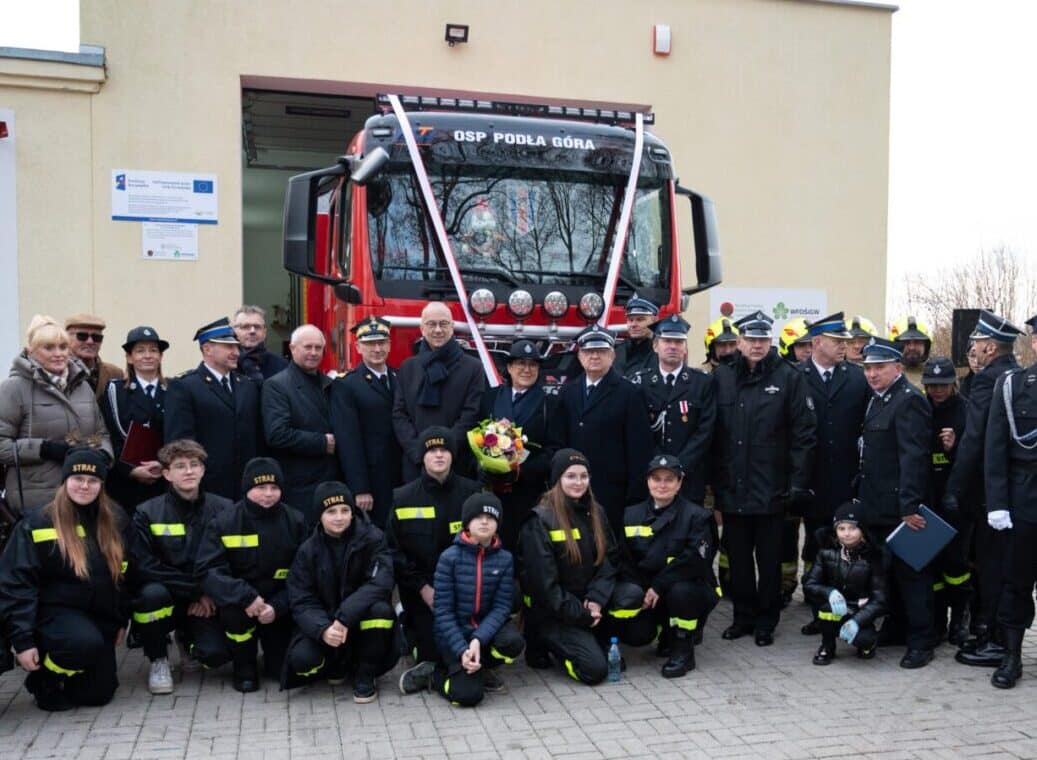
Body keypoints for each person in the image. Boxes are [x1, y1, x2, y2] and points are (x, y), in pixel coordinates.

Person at [711, 310, 816, 646]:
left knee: (769, 562)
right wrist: (714, 481)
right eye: (751, 339)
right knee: (738, 561)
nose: (757, 345)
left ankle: (766, 621)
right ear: (738, 342)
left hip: (772, 488)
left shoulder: (789, 377)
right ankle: (743, 617)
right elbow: (713, 433)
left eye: (762, 339)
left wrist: (797, 482)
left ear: (770, 342)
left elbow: (804, 433)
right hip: (733, 488)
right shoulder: (722, 378)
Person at [0, 448, 129, 711]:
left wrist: (120, 619)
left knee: (99, 694)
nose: (85, 486)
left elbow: (125, 575)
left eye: (93, 481)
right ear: (65, 481)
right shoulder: (37, 523)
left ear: (102, 485)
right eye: (77, 479)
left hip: (99, 615)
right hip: (55, 614)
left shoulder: (116, 519)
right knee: (83, 644)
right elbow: (16, 584)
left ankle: (68, 674)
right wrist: (22, 641)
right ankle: (43, 680)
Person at [519, 449, 646, 685]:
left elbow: (610, 559)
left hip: (589, 601)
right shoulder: (540, 520)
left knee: (631, 595)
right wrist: (582, 614)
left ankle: (600, 636)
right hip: (556, 611)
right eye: (570, 476)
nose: (578, 482)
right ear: (557, 479)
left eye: (584, 476)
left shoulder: (597, 512)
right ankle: (553, 645)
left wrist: (596, 599)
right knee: (595, 671)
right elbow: (545, 587)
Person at [944, 310, 1022, 667]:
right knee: (1007, 567)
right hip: (1015, 490)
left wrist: (954, 488)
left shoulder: (987, 380)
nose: (973, 348)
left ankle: (992, 639)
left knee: (990, 568)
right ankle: (1002, 639)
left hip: (987, 493)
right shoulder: (1017, 376)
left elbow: (975, 441)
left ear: (990, 347)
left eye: (976, 343)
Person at [193, 458, 307, 692]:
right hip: (239, 605)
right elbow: (208, 571)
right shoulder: (225, 522)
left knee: (282, 669)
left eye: (274, 488)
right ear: (247, 489)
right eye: (260, 488)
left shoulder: (296, 521)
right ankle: (244, 666)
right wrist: (246, 598)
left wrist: (277, 606)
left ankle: (272, 657)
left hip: (278, 606)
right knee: (235, 619)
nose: (268, 494)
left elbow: (305, 574)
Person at [129, 439, 232, 695]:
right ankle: (158, 660)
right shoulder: (147, 513)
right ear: (166, 474)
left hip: (208, 597)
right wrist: (194, 592)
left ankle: (188, 639)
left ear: (203, 470)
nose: (188, 471)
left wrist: (210, 591)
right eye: (180, 466)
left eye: (194, 464)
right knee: (151, 596)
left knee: (216, 656)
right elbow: (145, 565)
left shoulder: (225, 508)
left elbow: (230, 560)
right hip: (171, 595)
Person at [400, 493, 525, 704]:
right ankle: (435, 674)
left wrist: (478, 639)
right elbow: (443, 612)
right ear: (467, 523)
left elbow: (502, 607)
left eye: (491, 517)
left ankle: (480, 667)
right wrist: (462, 648)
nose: (484, 521)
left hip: (483, 635)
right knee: (467, 696)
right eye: (478, 517)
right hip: (453, 637)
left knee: (513, 643)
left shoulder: (505, 559)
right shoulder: (449, 558)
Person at [856, 337, 934, 668]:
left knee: (912, 578)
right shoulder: (878, 399)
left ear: (897, 368)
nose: (872, 374)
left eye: (879, 368)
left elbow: (914, 458)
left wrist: (910, 507)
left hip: (901, 510)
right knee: (886, 576)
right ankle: (897, 628)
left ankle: (922, 641)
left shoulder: (908, 400)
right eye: (868, 368)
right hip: (876, 505)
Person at [282, 481, 398, 702]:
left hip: (358, 621)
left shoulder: (373, 538)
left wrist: (344, 617)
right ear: (319, 515)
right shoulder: (308, 550)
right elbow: (301, 599)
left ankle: (366, 672)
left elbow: (380, 583)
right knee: (302, 659)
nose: (339, 517)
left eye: (345, 510)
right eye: (331, 511)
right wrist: (323, 629)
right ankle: (336, 665)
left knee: (381, 611)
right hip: (327, 625)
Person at [387, 427, 482, 681]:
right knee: (434, 652)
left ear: (452, 455)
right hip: (423, 593)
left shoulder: (472, 493)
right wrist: (423, 588)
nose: (438, 456)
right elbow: (394, 553)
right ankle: (408, 626)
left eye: (444, 450)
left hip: (464, 589)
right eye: (432, 450)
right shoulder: (403, 497)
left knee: (466, 646)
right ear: (422, 456)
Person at [795, 313, 869, 633]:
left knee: (846, 546)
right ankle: (818, 611)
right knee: (815, 546)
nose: (844, 346)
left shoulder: (856, 377)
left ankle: (849, 610)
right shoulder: (795, 376)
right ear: (816, 343)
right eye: (837, 341)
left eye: (845, 341)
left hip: (846, 478)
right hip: (810, 480)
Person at [0, 315, 113, 512]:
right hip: (37, 498)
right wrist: (44, 449)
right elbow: (2, 446)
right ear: (31, 352)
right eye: (49, 347)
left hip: (83, 495)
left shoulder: (82, 386)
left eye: (63, 347)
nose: (59, 354)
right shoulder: (14, 388)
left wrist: (103, 455)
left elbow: (101, 434)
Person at [620, 455, 719, 678]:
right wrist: (639, 591)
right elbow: (625, 560)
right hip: (650, 593)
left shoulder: (697, 516)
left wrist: (658, 586)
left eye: (669, 479)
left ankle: (684, 650)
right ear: (648, 481)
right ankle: (666, 633)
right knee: (636, 635)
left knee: (680, 591)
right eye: (656, 479)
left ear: (679, 482)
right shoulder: (631, 515)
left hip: (688, 589)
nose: (662, 485)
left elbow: (694, 561)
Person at [549, 324, 654, 532]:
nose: (594, 356)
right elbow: (557, 440)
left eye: (601, 351)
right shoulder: (567, 392)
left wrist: (635, 496)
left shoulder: (629, 393)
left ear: (612, 356)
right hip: (572, 487)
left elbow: (639, 449)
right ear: (579, 357)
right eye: (588, 351)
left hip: (612, 491)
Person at [983, 314, 1037, 688]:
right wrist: (997, 503)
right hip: (1024, 498)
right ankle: (1012, 656)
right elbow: (995, 448)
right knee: (1016, 582)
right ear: (1034, 343)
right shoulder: (1013, 385)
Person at [164, 317, 263, 501]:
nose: (236, 352)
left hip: (245, 488)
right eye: (229, 347)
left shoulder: (247, 385)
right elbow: (180, 443)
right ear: (207, 349)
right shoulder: (185, 386)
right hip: (207, 489)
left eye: (236, 347)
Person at [476, 339, 554, 551]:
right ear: (509, 368)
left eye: (533, 365)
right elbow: (478, 437)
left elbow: (553, 449)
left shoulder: (550, 403)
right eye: (520, 363)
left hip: (529, 491)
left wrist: (520, 469)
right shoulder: (490, 398)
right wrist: (486, 465)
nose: (526, 370)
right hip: (493, 488)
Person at [393, 302, 486, 480]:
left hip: (456, 465)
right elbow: (399, 414)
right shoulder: (408, 367)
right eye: (431, 324)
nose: (437, 330)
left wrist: (444, 452)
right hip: (416, 465)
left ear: (452, 327)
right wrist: (419, 451)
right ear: (422, 328)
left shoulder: (473, 368)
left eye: (443, 324)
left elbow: (471, 415)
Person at [631, 315, 715, 504]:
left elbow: (705, 431)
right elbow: (638, 431)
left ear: (685, 348)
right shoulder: (640, 383)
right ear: (655, 346)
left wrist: (678, 467)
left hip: (689, 476)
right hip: (652, 477)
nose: (673, 346)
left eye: (679, 342)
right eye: (667, 341)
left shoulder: (703, 383)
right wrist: (659, 468)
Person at [261, 324, 339, 523]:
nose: (313, 353)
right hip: (301, 486)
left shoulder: (331, 384)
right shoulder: (277, 386)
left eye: (318, 347)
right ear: (292, 348)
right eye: (307, 347)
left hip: (332, 482)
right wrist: (322, 442)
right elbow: (276, 434)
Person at [331, 317, 403, 529]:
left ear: (389, 345)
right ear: (358, 347)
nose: (377, 349)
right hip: (372, 480)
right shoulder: (347, 385)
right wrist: (360, 487)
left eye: (382, 343)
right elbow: (348, 440)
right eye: (370, 344)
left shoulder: (400, 378)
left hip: (401, 474)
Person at [921, 356, 971, 646]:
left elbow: (975, 455)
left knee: (956, 565)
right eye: (931, 385)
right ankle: (938, 621)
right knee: (932, 564)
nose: (937, 391)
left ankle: (959, 620)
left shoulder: (965, 410)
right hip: (928, 497)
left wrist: (955, 448)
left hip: (956, 502)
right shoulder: (920, 406)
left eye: (942, 385)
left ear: (953, 384)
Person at [802, 501, 887, 665]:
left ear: (863, 531)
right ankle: (827, 645)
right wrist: (829, 592)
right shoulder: (826, 552)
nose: (846, 534)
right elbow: (809, 583)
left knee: (865, 639)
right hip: (835, 606)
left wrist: (856, 620)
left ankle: (866, 644)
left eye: (853, 528)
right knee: (826, 609)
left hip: (860, 609)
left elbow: (880, 600)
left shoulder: (874, 556)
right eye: (841, 529)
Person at [99, 326, 170, 512]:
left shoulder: (174, 390)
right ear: (129, 357)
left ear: (161, 357)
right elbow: (108, 435)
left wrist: (164, 465)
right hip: (125, 486)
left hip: (164, 482)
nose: (148, 356)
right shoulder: (114, 391)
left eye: (153, 350)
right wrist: (129, 470)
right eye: (140, 350)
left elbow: (179, 435)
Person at [64, 313, 125, 400]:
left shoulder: (115, 373)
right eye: (82, 336)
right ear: (67, 338)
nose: (90, 341)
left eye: (96, 337)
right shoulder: (58, 372)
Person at [233, 305, 288, 383]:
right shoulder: (224, 363)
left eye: (257, 327)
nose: (252, 331)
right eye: (245, 326)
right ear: (234, 331)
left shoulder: (281, 365)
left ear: (264, 332)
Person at [613, 295, 659, 378]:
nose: (633, 325)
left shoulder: (663, 352)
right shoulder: (620, 349)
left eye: (640, 319)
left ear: (655, 320)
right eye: (630, 320)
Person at [888, 315, 933, 389]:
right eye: (906, 342)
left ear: (926, 346)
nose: (912, 347)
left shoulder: (937, 375)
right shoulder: (885, 377)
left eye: (917, 342)